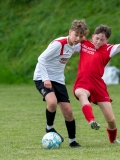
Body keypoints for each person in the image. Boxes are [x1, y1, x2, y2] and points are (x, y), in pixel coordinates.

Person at [33, 19, 89, 148]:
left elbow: (85, 43)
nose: (77, 39)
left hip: (58, 80)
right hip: (42, 76)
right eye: (75, 35)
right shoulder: (59, 44)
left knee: (68, 111)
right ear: (70, 32)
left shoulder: (76, 43)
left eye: (80, 36)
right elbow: (41, 58)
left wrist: (86, 39)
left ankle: (72, 141)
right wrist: (46, 79)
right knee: (52, 102)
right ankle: (49, 127)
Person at [73, 20, 120, 144]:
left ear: (107, 41)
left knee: (111, 120)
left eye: (102, 40)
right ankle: (91, 120)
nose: (98, 42)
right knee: (81, 93)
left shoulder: (109, 49)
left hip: (98, 84)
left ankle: (113, 139)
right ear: (93, 36)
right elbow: (70, 42)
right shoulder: (84, 44)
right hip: (83, 80)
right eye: (97, 38)